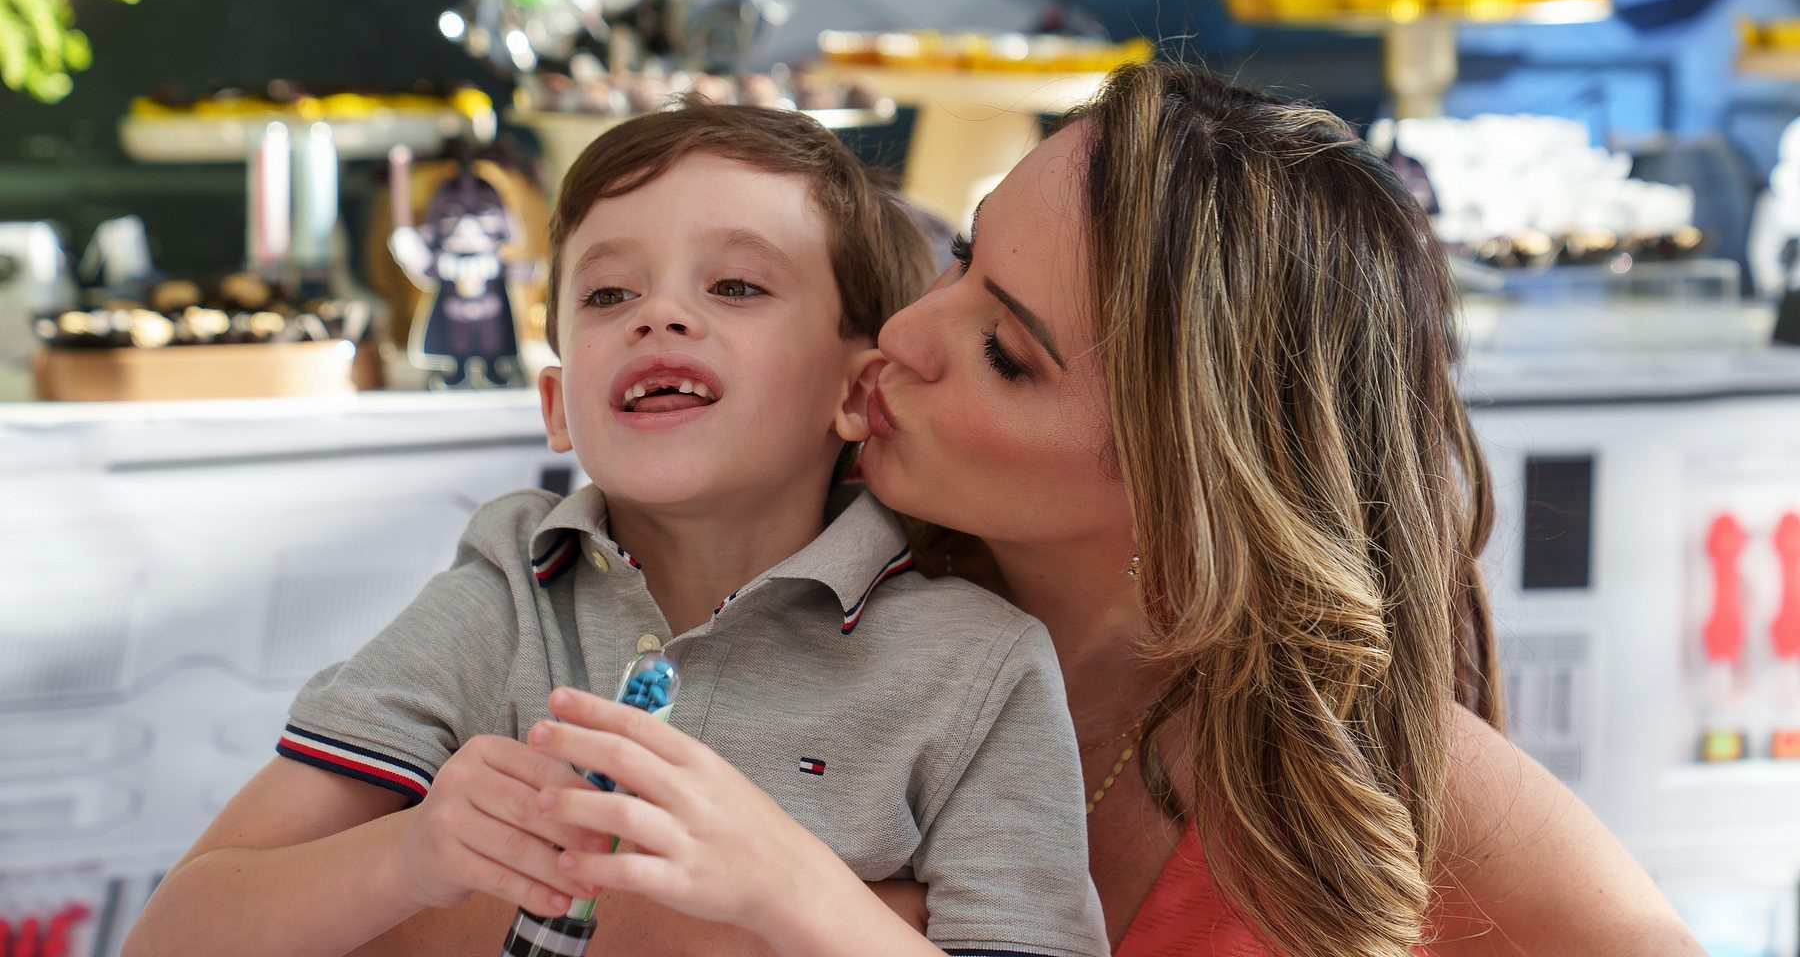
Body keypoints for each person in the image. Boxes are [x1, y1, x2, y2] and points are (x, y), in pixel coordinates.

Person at [510, 61, 1705, 956]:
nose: (907, 332)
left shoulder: (1374, 780)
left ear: (1192, 477)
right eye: (962, 256)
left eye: (1006, 353)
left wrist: (816, 912)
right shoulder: (766, 576)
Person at [123, 103, 1109, 957]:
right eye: (607, 295)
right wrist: (407, 858)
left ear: (857, 393)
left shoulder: (981, 667)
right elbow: (170, 936)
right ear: (559, 408)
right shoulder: (500, 605)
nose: (659, 314)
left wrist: (791, 889)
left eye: (736, 286)